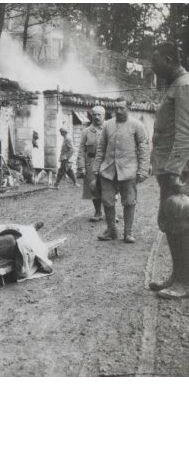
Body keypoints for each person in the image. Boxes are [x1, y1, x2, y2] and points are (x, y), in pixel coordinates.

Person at [148, 42, 189, 298]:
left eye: (155, 60)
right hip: (168, 168)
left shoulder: (183, 86)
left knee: (180, 221)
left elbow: (185, 133)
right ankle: (177, 276)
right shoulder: (175, 85)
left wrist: (175, 171)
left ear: (169, 60)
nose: (152, 66)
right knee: (170, 222)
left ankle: (184, 283)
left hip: (178, 170)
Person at [92, 97, 149, 243]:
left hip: (129, 170)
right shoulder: (107, 125)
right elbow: (101, 148)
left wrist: (142, 170)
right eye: (116, 108)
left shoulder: (137, 125)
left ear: (128, 108)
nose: (118, 111)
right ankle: (111, 231)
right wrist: (96, 168)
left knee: (129, 202)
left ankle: (128, 233)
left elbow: (144, 148)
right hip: (108, 170)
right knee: (107, 201)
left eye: (121, 108)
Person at [77, 105, 106, 221]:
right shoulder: (86, 132)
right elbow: (81, 150)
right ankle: (98, 212)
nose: (97, 117)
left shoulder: (109, 129)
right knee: (94, 188)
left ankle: (111, 213)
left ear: (104, 116)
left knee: (109, 188)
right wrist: (81, 166)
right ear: (91, 116)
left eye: (99, 114)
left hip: (106, 163)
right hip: (91, 163)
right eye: (94, 115)